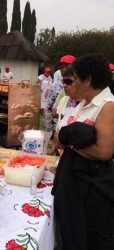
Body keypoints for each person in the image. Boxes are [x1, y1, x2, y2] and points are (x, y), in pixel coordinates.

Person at [52, 53, 114, 249]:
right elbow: (62, 134)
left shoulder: (107, 107)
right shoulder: (83, 104)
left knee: (90, 237)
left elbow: (103, 152)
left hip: (92, 187)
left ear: (88, 80)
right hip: (75, 182)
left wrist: (69, 141)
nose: (73, 84)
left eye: (76, 79)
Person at [47, 67, 78, 155]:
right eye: (63, 81)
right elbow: (59, 124)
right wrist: (53, 149)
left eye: (68, 82)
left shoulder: (87, 103)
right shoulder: (64, 99)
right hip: (62, 153)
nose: (64, 85)